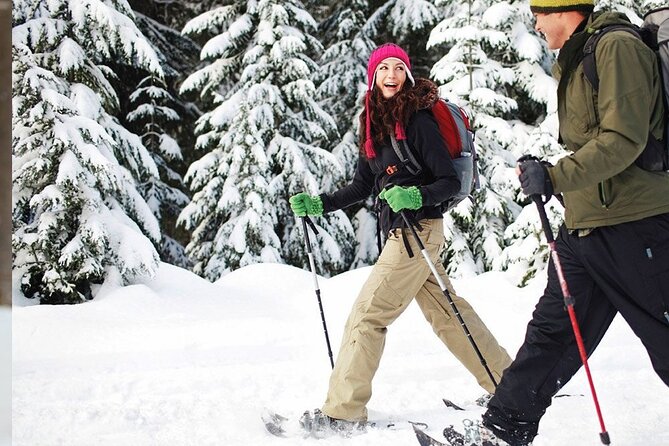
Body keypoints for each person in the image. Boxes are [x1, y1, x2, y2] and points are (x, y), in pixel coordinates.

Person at [289, 43, 512, 433]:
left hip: (417, 232)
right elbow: (363, 185)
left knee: (368, 315)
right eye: (383, 69)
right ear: (373, 77)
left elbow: (448, 181)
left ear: (406, 75)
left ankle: (343, 413)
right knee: (448, 314)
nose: (391, 75)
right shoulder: (373, 123)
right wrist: (320, 204)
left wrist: (414, 196)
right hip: (408, 234)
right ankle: (508, 385)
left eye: (398, 68)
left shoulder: (418, 120)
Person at [480, 1, 669, 444]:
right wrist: (549, 173)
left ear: (564, 10)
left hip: (635, 224)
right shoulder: (580, 57)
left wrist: (555, 175)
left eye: (540, 14)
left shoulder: (617, 48)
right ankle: (503, 428)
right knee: (552, 333)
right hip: (585, 224)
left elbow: (623, 140)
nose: (536, 24)